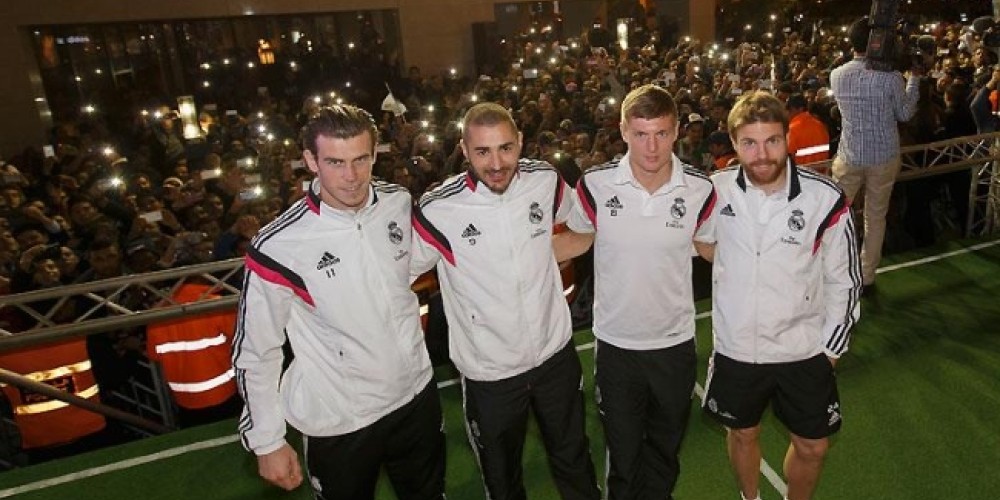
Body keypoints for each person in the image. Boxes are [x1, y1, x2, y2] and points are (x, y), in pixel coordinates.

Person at [232, 105, 445, 498]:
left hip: (415, 396)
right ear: (311, 161)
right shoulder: (279, 245)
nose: (351, 177)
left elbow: (400, 272)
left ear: (375, 154)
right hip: (341, 420)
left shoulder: (397, 201)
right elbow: (257, 348)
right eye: (335, 162)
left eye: (361, 159)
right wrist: (267, 440)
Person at [411, 102, 600, 500]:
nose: (496, 163)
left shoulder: (544, 180)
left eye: (506, 149)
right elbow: (397, 276)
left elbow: (582, 218)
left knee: (575, 462)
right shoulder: (438, 208)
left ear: (520, 143)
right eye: (482, 151)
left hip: (555, 358)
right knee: (503, 481)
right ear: (464, 149)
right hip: (490, 375)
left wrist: (563, 247)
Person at [554, 83, 716, 499]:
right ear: (623, 131)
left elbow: (712, 249)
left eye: (661, 133)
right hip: (617, 347)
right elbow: (577, 239)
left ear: (677, 130)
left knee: (665, 453)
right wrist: (508, 256)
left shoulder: (699, 188)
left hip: (675, 344)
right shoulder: (596, 184)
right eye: (641, 133)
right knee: (623, 458)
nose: (652, 146)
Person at [700, 91, 861, 500]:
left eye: (771, 140)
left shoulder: (824, 198)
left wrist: (831, 349)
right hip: (739, 348)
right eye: (749, 143)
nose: (762, 154)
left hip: (804, 348)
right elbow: (686, 236)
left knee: (813, 446)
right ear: (734, 144)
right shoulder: (713, 192)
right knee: (742, 433)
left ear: (786, 138)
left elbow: (845, 279)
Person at [830, 17, 919, 295]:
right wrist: (914, 79)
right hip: (883, 156)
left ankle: (834, 271)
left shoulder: (838, 74)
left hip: (849, 156)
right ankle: (866, 278)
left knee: (835, 217)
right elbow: (905, 114)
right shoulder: (892, 78)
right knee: (875, 218)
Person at [785, 93, 831, 174]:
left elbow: (787, 157)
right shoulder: (820, 125)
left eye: (790, 110)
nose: (788, 113)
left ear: (800, 109)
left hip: (801, 175)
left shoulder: (792, 129)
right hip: (821, 174)